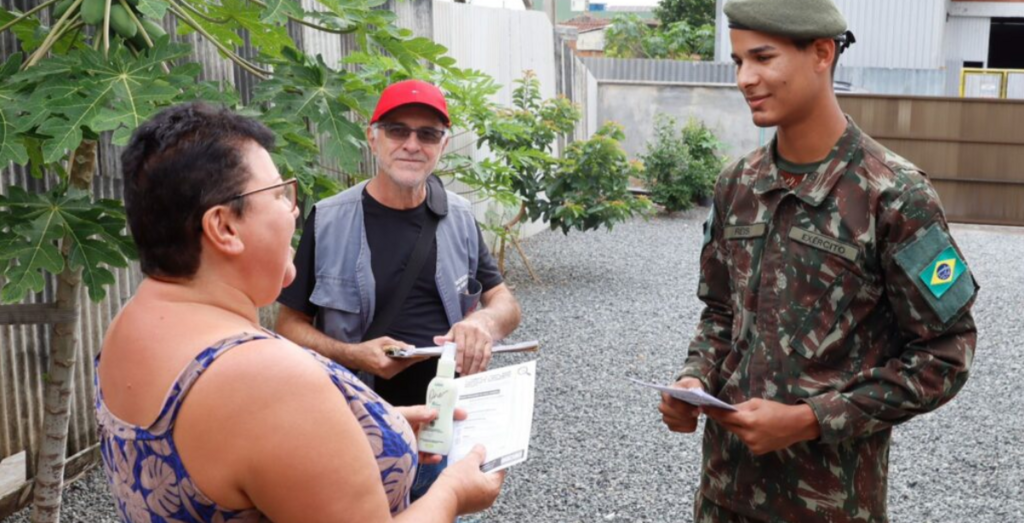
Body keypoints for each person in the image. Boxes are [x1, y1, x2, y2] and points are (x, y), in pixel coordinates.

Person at [96, 102, 504, 523]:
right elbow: (272, 407)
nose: (293, 209)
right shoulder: (270, 380)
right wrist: (454, 492)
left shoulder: (130, 323)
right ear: (224, 227)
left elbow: (252, 446)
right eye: (278, 194)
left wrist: (381, 425)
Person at [658, 1, 979, 521]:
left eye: (763, 58)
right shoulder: (736, 185)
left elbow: (946, 353)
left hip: (830, 506)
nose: (745, 78)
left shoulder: (894, 195)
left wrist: (811, 419)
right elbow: (721, 313)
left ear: (822, 53)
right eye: (738, 61)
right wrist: (695, 380)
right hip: (723, 496)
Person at [275, 80, 522, 498]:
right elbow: (288, 326)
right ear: (373, 138)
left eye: (427, 134)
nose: (412, 144)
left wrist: (482, 321)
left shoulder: (459, 217)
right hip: (356, 424)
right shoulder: (329, 220)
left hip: (444, 426)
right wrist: (353, 354)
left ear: (442, 146)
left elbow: (505, 302)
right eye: (397, 130)